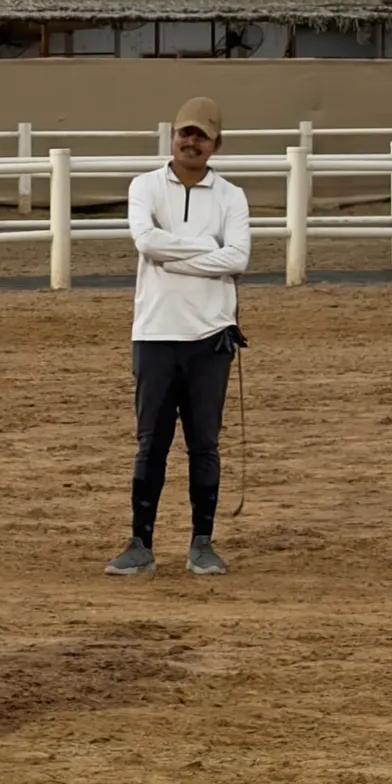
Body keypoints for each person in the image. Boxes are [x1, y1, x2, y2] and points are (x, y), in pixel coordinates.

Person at [108, 94, 250, 579]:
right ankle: (140, 542)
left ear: (216, 144)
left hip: (210, 336)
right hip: (154, 333)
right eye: (185, 133)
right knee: (151, 443)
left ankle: (201, 542)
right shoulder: (144, 186)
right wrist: (207, 249)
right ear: (172, 136)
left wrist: (176, 259)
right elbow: (145, 242)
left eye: (201, 136)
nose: (192, 142)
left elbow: (238, 257)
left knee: (203, 444)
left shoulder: (231, 196)